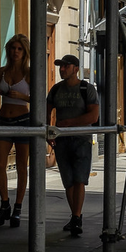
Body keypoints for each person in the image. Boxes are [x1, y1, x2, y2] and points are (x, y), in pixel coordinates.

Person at [47, 54, 100, 237]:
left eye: (66, 66)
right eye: (60, 66)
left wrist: (68, 123)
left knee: (79, 179)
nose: (62, 69)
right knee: (68, 180)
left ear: (76, 68)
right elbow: (46, 110)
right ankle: (75, 217)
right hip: (62, 140)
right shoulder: (55, 89)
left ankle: (76, 216)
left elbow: (93, 117)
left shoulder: (86, 89)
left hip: (81, 139)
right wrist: (49, 131)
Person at [0, 33, 31, 227]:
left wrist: (23, 96)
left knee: (22, 165)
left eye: (19, 49)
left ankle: (18, 206)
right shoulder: (1, 71)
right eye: (13, 48)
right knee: (0, 164)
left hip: (23, 119)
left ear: (25, 52)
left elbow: (39, 98)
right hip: (4, 119)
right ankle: (4, 203)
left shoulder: (29, 73)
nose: (16, 52)